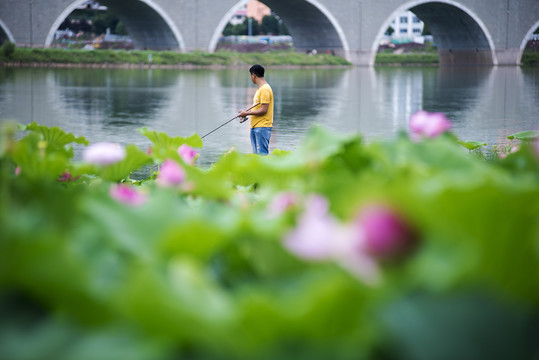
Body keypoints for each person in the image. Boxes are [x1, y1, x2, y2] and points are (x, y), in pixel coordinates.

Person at [238, 64, 274, 155]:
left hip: (262, 126)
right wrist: (246, 113)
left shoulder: (265, 89)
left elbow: (264, 110)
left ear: (253, 75)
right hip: (256, 126)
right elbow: (258, 108)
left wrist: (247, 113)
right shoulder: (260, 89)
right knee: (256, 157)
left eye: (250, 75)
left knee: (262, 155)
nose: (251, 78)